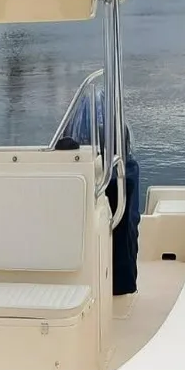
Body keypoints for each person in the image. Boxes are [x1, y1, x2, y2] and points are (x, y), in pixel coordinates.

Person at [55, 85, 140, 296]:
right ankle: (119, 285)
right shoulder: (125, 175)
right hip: (115, 285)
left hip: (73, 281)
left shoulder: (63, 180)